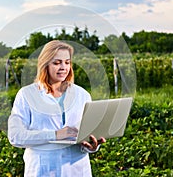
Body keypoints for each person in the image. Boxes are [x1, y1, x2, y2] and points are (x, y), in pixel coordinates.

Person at [8, 40, 106, 176]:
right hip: (43, 169)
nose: (63, 67)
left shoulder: (82, 94)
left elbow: (86, 132)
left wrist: (92, 146)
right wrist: (55, 135)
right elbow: (16, 136)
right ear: (45, 64)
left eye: (67, 62)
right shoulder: (27, 94)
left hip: (77, 168)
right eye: (56, 63)